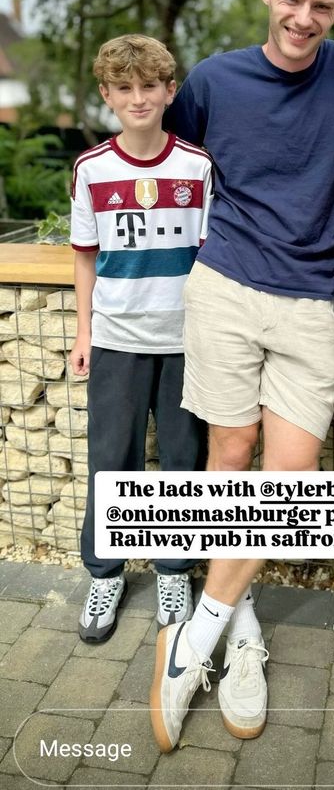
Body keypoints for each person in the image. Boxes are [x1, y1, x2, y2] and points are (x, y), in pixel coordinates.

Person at [149, 0, 334, 752]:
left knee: (284, 479)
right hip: (225, 283)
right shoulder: (213, 79)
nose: (303, 17)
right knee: (231, 453)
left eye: (320, 5)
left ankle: (194, 641)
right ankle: (243, 630)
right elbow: (165, 156)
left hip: (314, 302)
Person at [70, 34, 212, 643]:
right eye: (123, 88)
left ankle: (173, 569)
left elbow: (209, 258)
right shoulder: (92, 169)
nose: (138, 97)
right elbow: (84, 258)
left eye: (149, 86)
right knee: (114, 460)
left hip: (185, 341)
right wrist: (85, 330)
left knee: (182, 462)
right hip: (118, 338)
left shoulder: (197, 167)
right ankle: (105, 572)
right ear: (106, 95)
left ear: (168, 91)